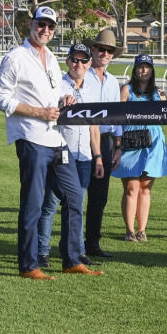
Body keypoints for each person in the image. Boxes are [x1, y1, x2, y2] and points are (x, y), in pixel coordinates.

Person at [0, 6, 103, 279]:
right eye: (41, 24)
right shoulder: (15, 57)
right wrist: (39, 112)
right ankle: (29, 266)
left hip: (55, 138)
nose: (45, 30)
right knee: (32, 203)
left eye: (50, 26)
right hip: (31, 137)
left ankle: (72, 259)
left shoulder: (52, 58)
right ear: (31, 25)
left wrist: (62, 101)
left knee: (75, 195)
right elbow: (1, 98)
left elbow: (51, 97)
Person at [37, 43, 104, 267]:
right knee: (50, 203)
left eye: (83, 60)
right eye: (74, 60)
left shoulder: (92, 90)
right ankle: (41, 252)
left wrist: (98, 157)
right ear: (67, 62)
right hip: (59, 152)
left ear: (89, 64)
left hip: (84, 155)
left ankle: (76, 252)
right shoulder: (57, 84)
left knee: (76, 205)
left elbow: (93, 127)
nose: (78, 64)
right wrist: (61, 100)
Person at [112, 54, 167, 242]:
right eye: (140, 66)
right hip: (131, 141)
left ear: (152, 70)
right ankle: (129, 230)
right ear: (135, 70)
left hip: (153, 142)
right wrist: (117, 144)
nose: (143, 70)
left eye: (147, 66)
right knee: (131, 187)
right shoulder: (126, 90)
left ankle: (142, 230)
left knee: (145, 187)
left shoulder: (158, 93)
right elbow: (116, 118)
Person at [83, 29, 125, 258]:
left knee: (100, 197)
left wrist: (118, 146)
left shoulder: (113, 82)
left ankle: (92, 244)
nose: (105, 53)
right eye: (102, 49)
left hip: (107, 141)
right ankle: (73, 245)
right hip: (82, 140)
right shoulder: (81, 74)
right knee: (77, 195)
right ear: (93, 49)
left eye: (109, 50)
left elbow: (117, 116)